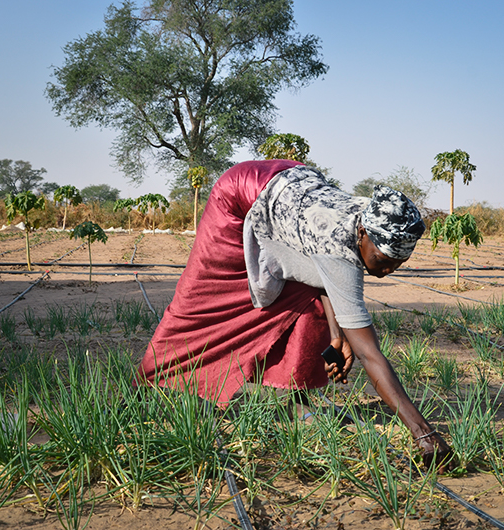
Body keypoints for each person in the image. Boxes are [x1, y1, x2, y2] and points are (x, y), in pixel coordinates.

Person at [136, 159, 451, 468]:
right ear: (363, 234)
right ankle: (144, 387)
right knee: (202, 301)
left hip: (292, 188)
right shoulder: (339, 248)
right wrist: (424, 434)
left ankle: (299, 401)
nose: (389, 269)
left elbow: (325, 278)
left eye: (398, 263)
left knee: (306, 298)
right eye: (383, 259)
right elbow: (369, 353)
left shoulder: (360, 222)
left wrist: (336, 335)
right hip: (240, 193)